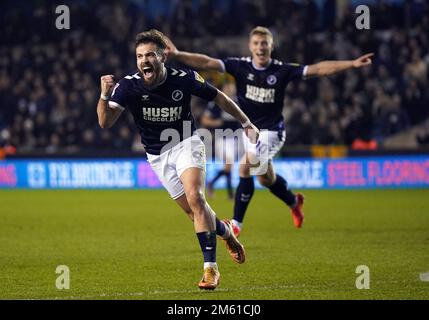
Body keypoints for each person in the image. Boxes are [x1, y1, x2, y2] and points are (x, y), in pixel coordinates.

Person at [165, 26, 373, 236]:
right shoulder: (239, 66)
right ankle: (293, 202)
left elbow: (318, 69)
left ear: (271, 46)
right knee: (266, 179)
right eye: (256, 43)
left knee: (244, 167)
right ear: (250, 46)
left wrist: (352, 64)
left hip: (272, 132)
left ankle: (236, 225)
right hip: (250, 131)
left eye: (264, 43)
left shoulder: (281, 70)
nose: (260, 47)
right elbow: (206, 62)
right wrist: (178, 55)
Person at [96, 29, 259, 290]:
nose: (144, 60)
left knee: (196, 198)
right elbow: (105, 122)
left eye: (150, 54)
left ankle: (211, 271)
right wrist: (104, 94)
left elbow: (219, 96)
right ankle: (227, 233)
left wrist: (246, 122)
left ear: (162, 57)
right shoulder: (128, 85)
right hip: (157, 156)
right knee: (193, 211)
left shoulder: (183, 79)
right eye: (139, 56)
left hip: (186, 142)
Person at [199, 82, 243, 200]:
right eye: (228, 87)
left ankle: (227, 193)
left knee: (229, 166)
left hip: (235, 138)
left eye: (232, 88)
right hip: (222, 138)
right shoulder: (216, 103)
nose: (230, 90)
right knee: (229, 165)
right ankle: (218, 187)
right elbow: (204, 120)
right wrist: (218, 123)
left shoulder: (238, 102)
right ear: (223, 89)